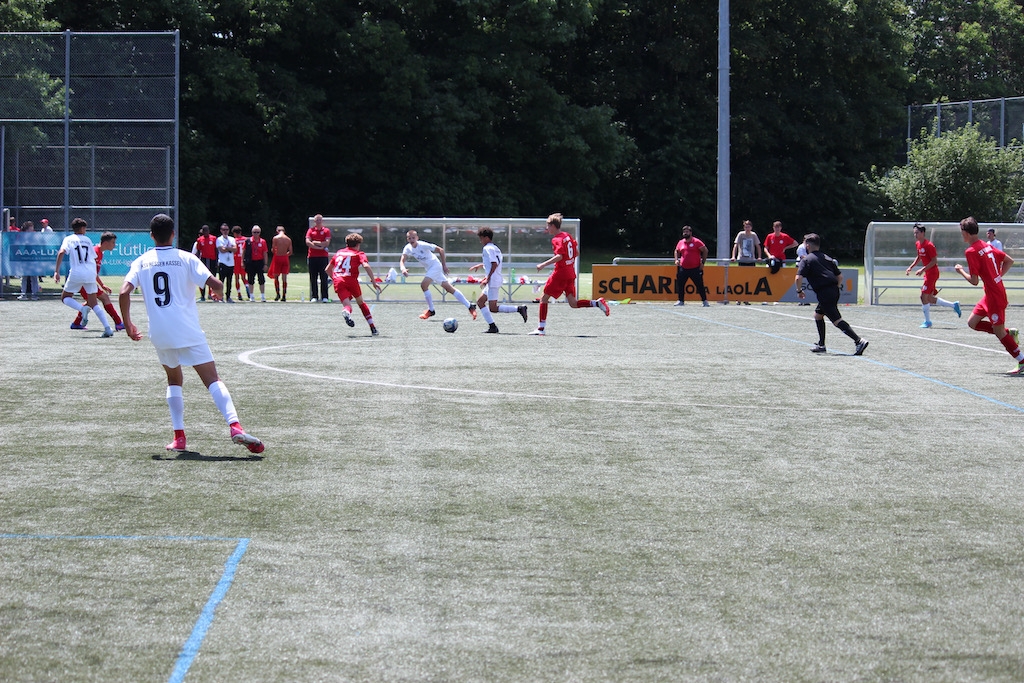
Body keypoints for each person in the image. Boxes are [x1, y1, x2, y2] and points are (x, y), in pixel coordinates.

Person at [118, 213, 264, 454]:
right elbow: (217, 285)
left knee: (174, 380)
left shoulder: (142, 261)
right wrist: (217, 292)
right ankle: (235, 426)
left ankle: (179, 438)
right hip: (187, 330)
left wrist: (128, 325)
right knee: (212, 379)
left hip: (160, 333)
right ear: (173, 234)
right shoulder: (186, 258)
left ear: (151, 236)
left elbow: (124, 292)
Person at [953, 216, 1024, 374]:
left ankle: (1022, 360)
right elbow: (1009, 261)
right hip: (992, 292)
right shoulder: (987, 245)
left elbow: (974, 281)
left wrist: (961, 271)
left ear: (966, 233)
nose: (961, 234)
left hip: (994, 296)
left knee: (999, 332)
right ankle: (1009, 333)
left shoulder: (971, 251)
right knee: (972, 323)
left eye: (961, 231)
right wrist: (997, 277)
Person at [529, 214, 609, 335]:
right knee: (573, 303)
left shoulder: (556, 239)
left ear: (553, 226)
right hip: (570, 273)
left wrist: (543, 264)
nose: (547, 228)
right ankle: (597, 303)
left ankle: (541, 329)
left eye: (548, 226)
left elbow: (560, 256)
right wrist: (568, 262)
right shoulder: (567, 236)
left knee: (544, 299)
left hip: (560, 274)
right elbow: (576, 252)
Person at [794, 233, 868, 355]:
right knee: (818, 315)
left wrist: (799, 291)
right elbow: (840, 277)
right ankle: (821, 344)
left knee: (836, 320)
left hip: (824, 293)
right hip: (833, 290)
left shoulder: (806, 260)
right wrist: (834, 288)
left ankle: (859, 341)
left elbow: (798, 278)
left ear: (807, 246)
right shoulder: (827, 258)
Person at [53, 218, 115, 337]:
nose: (85, 230)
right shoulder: (87, 240)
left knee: (65, 297)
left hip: (77, 272)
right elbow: (93, 257)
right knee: (94, 303)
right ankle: (107, 328)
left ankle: (82, 309)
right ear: (82, 228)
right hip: (90, 273)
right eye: (85, 228)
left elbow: (61, 252)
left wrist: (57, 271)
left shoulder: (68, 239)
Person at [399, 229, 478, 320]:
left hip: (435, 266)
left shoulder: (423, 245)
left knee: (424, 285)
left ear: (417, 238)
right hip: (430, 269)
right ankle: (470, 306)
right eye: (409, 238)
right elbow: (402, 260)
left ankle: (431, 310)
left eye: (413, 238)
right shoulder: (407, 248)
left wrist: (444, 265)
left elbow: (441, 250)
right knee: (449, 288)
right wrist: (403, 269)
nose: (411, 240)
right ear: (407, 239)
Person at [468, 227, 528, 333]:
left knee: (493, 308)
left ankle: (519, 309)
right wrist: (481, 265)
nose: (480, 241)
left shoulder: (487, 248)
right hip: (494, 279)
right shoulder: (495, 248)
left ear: (486, 238)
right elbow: (495, 262)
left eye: (481, 238)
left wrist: (487, 278)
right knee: (480, 302)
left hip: (493, 281)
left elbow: (494, 264)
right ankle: (492, 327)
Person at [905, 222, 960, 328]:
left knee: (923, 296)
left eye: (917, 233)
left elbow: (934, 261)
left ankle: (928, 322)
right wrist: (911, 267)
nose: (915, 235)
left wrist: (922, 269)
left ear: (923, 233)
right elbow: (919, 257)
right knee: (929, 298)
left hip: (932, 273)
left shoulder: (929, 245)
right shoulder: (918, 244)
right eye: (914, 233)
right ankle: (954, 305)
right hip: (928, 273)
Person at [327, 232, 381, 335]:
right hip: (351, 280)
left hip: (338, 280)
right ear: (358, 244)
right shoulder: (359, 254)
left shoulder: (339, 253)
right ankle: (373, 328)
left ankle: (346, 312)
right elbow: (366, 265)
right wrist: (373, 281)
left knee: (347, 305)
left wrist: (335, 279)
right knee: (361, 302)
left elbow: (327, 269)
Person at [71, 231, 125, 331]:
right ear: (106, 243)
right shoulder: (95, 252)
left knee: (90, 302)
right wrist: (101, 285)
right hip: (84, 282)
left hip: (87, 281)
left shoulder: (99, 252)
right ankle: (118, 323)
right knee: (104, 298)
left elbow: (93, 272)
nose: (114, 245)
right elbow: (89, 271)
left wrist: (102, 285)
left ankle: (76, 323)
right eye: (113, 242)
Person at [673, 224, 709, 307]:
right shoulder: (681, 242)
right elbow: (676, 251)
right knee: (680, 284)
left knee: (699, 285)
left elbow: (705, 250)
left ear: (690, 232)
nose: (685, 233)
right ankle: (680, 300)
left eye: (687, 232)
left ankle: (704, 301)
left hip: (695, 268)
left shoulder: (696, 242)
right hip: (683, 268)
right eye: (684, 232)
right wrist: (676, 259)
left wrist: (702, 262)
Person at [306, 214, 332, 302]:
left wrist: (315, 242)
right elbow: (308, 242)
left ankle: (325, 297)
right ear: (314, 221)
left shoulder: (326, 230)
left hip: (323, 257)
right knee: (313, 277)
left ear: (322, 221)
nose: (318, 221)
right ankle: (314, 296)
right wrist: (319, 247)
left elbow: (327, 242)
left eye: (320, 220)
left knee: (324, 277)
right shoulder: (311, 230)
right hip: (312, 256)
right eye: (317, 220)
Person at [190, 224, 218, 301]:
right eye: (204, 231)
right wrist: (197, 261)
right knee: (203, 278)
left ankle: (212, 295)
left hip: (212, 260)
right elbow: (199, 251)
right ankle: (202, 296)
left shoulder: (213, 238)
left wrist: (217, 261)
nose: (206, 232)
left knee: (212, 277)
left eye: (207, 231)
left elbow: (216, 250)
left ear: (209, 231)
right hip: (204, 260)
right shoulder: (200, 240)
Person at [243, 225, 270, 302]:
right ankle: (251, 296)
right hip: (250, 262)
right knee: (250, 279)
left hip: (259, 262)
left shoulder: (263, 241)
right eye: (254, 232)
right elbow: (243, 252)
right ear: (252, 232)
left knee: (261, 279)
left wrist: (265, 264)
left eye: (257, 232)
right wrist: (242, 262)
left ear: (260, 233)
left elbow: (265, 253)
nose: (256, 234)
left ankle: (262, 296)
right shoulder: (248, 241)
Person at [269, 225, 293, 301]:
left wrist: (277, 252)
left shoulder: (276, 238)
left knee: (276, 276)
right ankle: (284, 295)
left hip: (278, 257)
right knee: (284, 277)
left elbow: (273, 249)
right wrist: (285, 255)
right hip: (285, 258)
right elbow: (291, 251)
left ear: (277, 231)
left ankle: (277, 294)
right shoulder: (288, 239)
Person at [17, 221, 39, 300]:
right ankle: (23, 294)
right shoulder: (22, 236)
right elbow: (20, 246)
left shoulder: (34, 236)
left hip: (33, 259)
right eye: (30, 228)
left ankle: (34, 295)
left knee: (34, 277)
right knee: (24, 277)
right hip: (25, 259)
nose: (32, 229)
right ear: (27, 229)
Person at [215, 223, 236, 302]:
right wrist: (230, 248)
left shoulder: (232, 239)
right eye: (223, 230)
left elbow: (235, 249)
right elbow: (222, 250)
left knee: (229, 281)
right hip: (223, 262)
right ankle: (220, 297)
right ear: (221, 230)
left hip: (231, 263)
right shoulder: (219, 239)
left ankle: (228, 297)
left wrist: (226, 247)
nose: (225, 231)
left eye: (227, 230)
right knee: (221, 281)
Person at [231, 225, 249, 300]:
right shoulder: (246, 239)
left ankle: (239, 294)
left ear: (234, 233)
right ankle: (247, 287)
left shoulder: (234, 240)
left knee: (237, 278)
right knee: (244, 277)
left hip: (236, 259)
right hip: (243, 259)